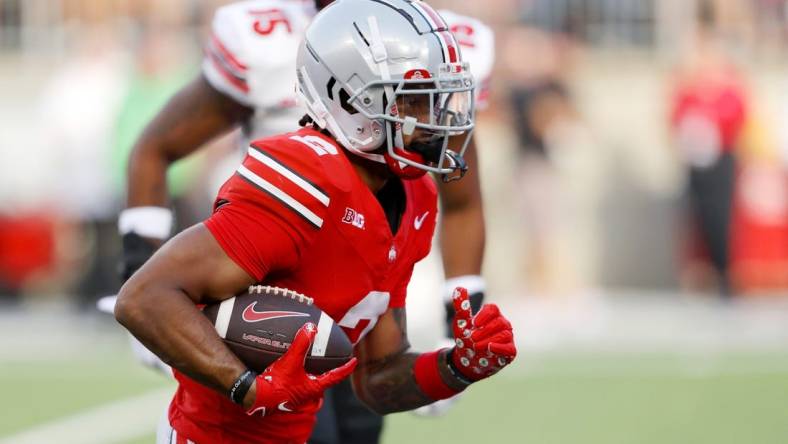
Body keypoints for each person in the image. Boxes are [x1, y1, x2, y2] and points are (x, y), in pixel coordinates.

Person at [114, 1, 516, 443]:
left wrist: (454, 367)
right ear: (351, 101)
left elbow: (376, 377)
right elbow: (143, 296)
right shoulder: (303, 179)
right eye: (415, 102)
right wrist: (247, 387)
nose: (436, 121)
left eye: (438, 101)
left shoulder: (414, 194)